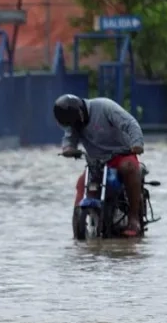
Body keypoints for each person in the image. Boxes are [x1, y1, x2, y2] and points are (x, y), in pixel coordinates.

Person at [53, 94, 145, 237]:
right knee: (81, 183)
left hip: (122, 154)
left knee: (130, 168)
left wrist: (137, 143)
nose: (73, 127)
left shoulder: (105, 107)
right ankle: (78, 222)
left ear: (80, 113)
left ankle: (133, 219)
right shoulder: (74, 122)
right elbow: (69, 139)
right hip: (96, 162)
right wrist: (68, 149)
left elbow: (131, 124)